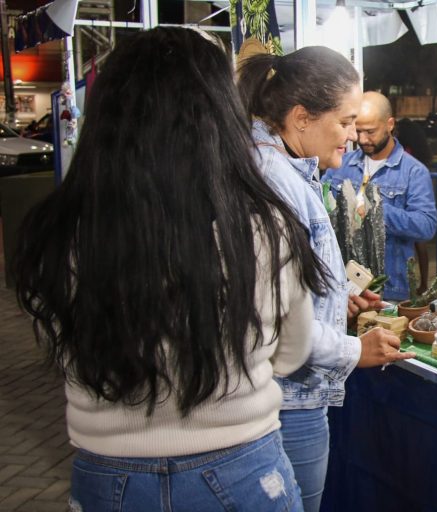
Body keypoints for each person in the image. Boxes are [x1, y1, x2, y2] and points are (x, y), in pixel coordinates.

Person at [13, 27, 326, 511]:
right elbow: (291, 354)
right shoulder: (265, 227)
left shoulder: (59, 231)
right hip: (242, 473)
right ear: (219, 116)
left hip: (107, 480)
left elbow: (66, 344)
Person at [237, 48, 415, 512]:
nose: (354, 137)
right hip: (289, 402)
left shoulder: (283, 167)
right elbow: (275, 321)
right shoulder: (278, 181)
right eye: (345, 121)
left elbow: (283, 283)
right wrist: (357, 349)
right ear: (300, 118)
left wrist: (338, 297)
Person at [323, 91, 437, 302]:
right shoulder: (340, 163)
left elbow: (427, 227)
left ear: (390, 124)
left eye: (370, 132)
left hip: (389, 290)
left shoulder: (414, 172)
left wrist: (376, 210)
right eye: (358, 131)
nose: (362, 139)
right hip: (342, 284)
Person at [396, 117, 434, 294]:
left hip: (408, 193)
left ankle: (419, 283)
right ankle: (424, 282)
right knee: (420, 243)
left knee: (416, 240)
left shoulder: (405, 153)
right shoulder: (417, 145)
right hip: (417, 192)